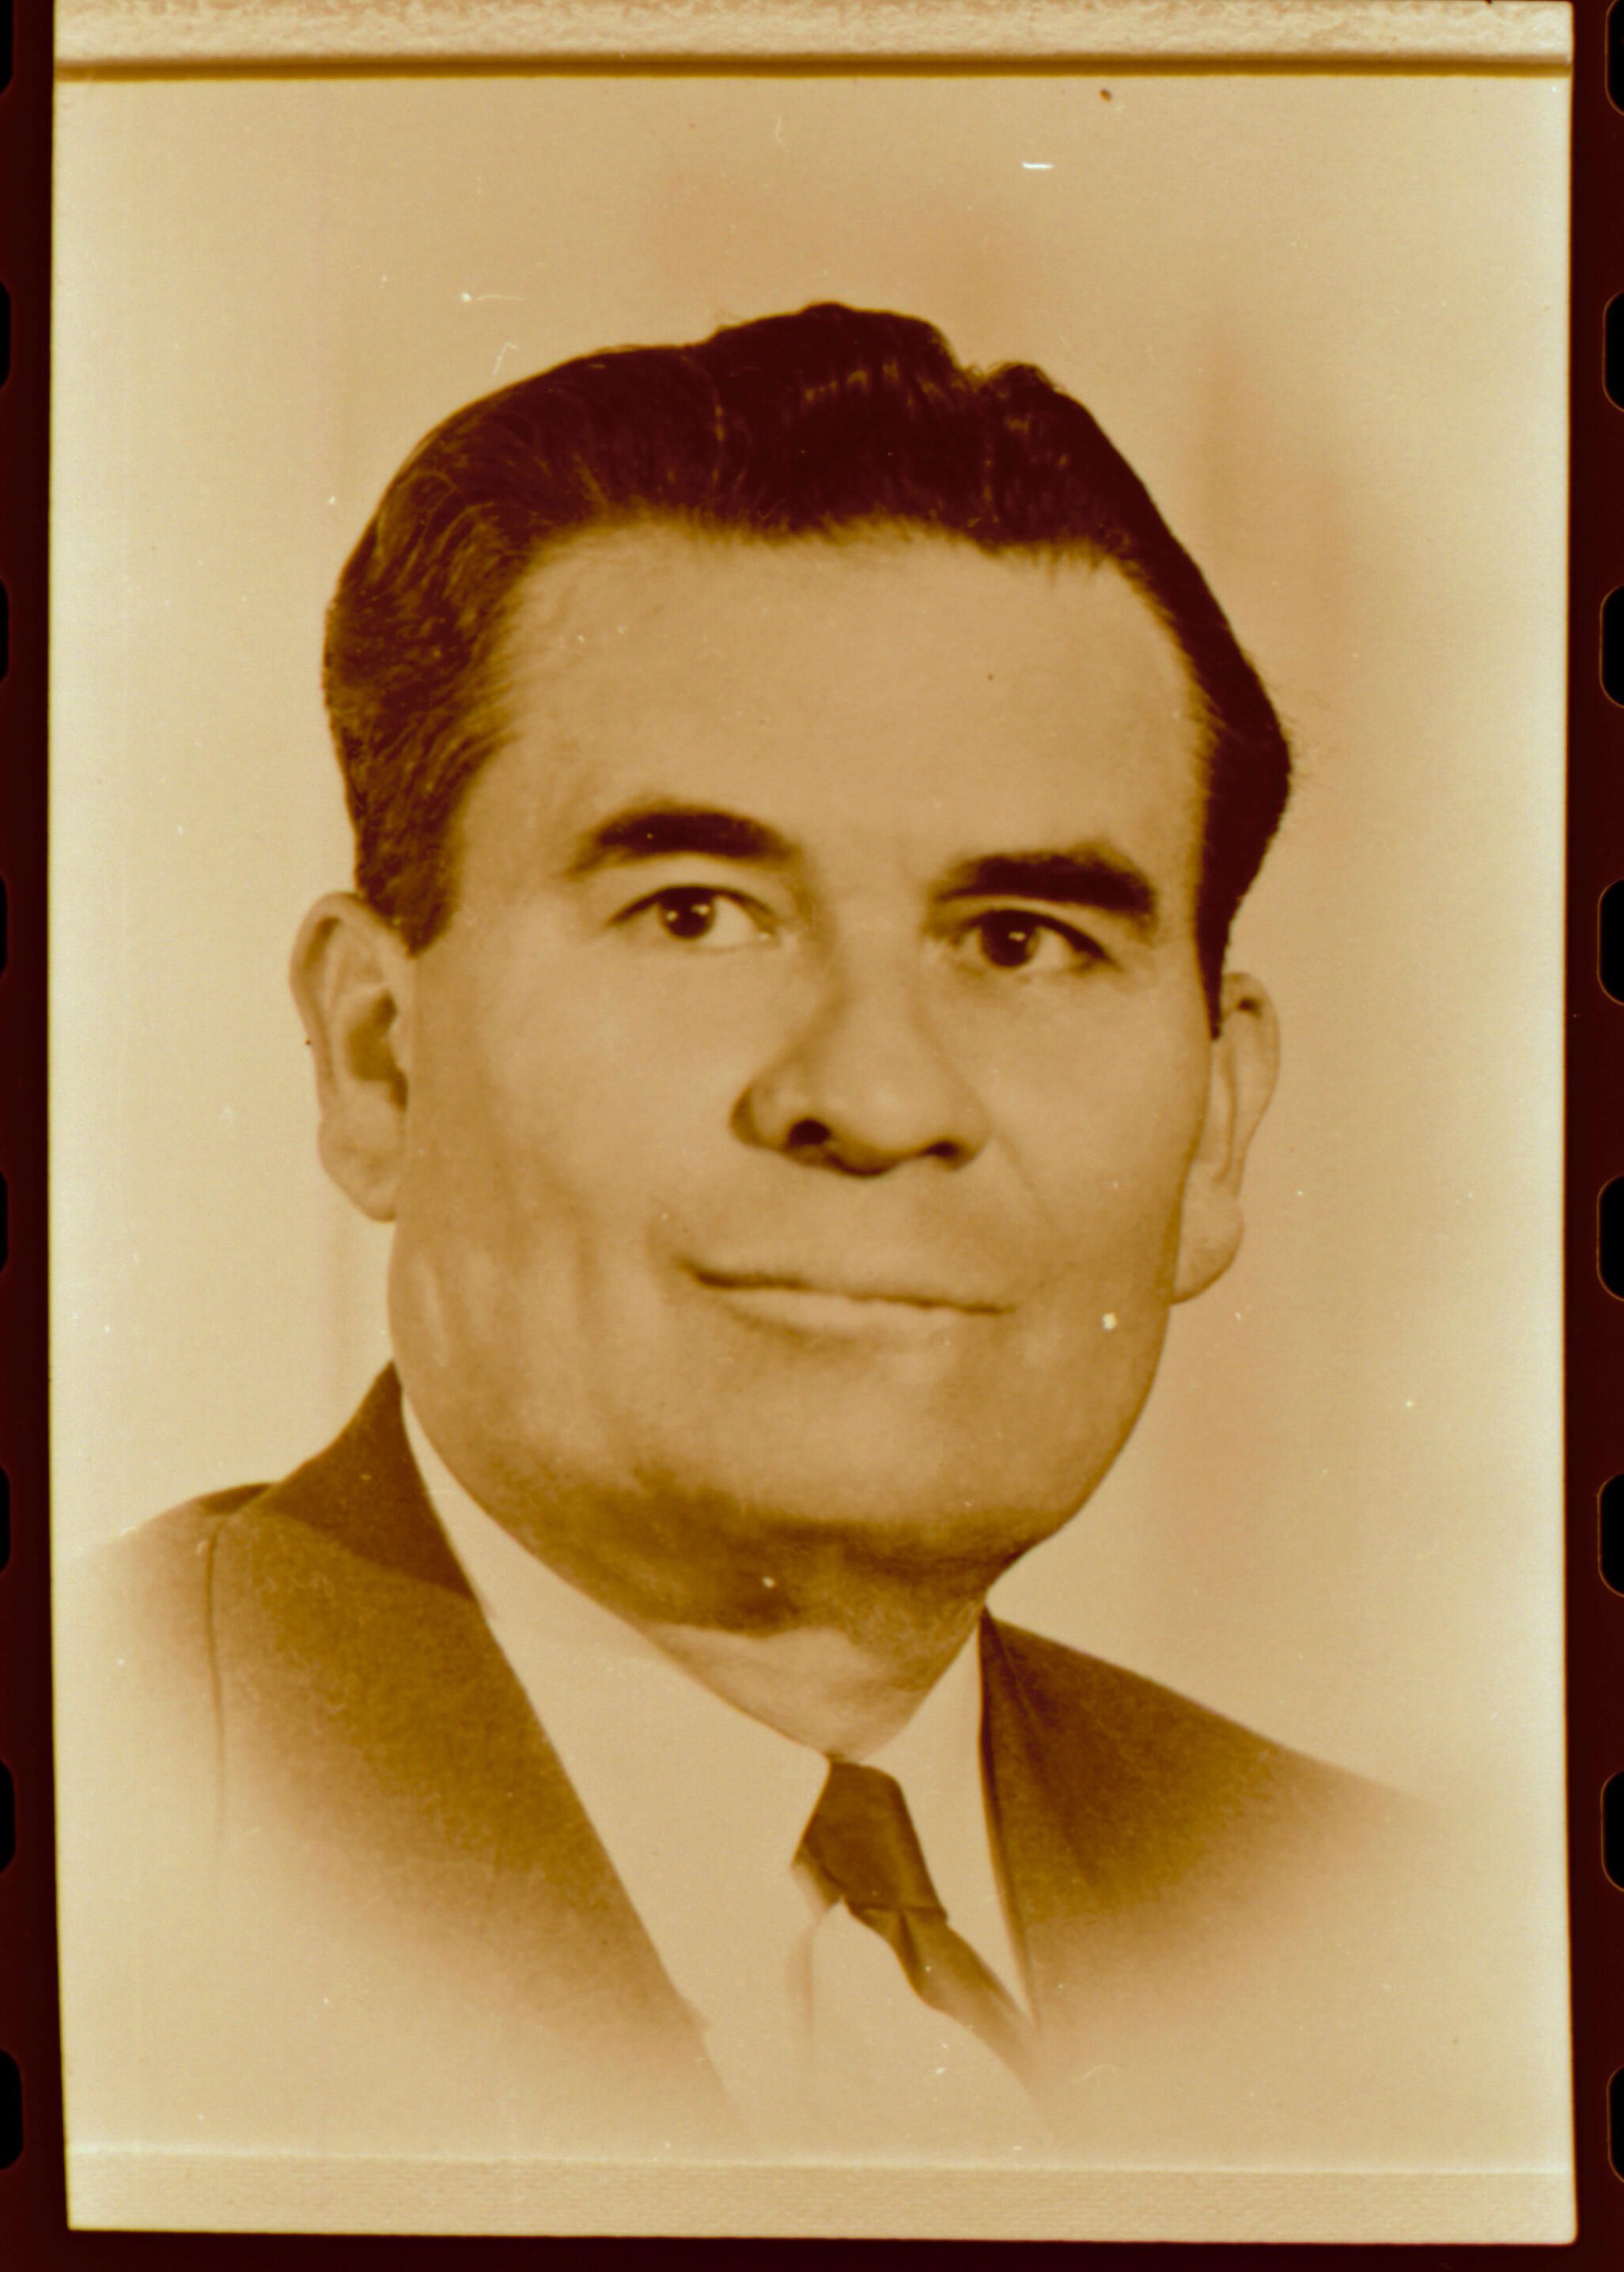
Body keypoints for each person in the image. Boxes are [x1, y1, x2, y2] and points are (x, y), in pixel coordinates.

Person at [64, 304, 1435, 2170]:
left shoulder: (1384, 1932)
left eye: (1021, 939)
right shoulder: (101, 1813)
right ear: (377, 1056)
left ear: (1215, 1124)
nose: (873, 1096)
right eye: (695, 911)